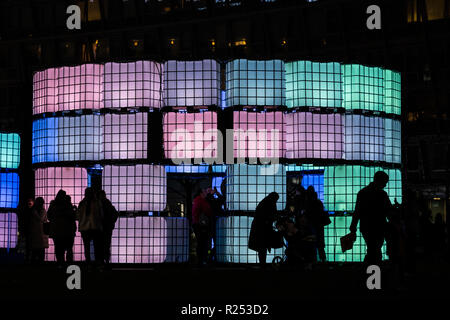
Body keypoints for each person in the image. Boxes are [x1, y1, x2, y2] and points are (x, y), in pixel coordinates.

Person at [349, 171, 392, 265]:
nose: (385, 185)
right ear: (380, 181)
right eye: (385, 182)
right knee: (375, 250)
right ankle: (373, 272)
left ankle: (369, 271)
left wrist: (353, 227)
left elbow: (357, 212)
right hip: (380, 226)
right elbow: (389, 211)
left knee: (373, 249)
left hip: (366, 227)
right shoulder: (382, 194)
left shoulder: (362, 193)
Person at [248, 192, 280, 267]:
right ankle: (263, 264)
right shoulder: (269, 203)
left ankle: (262, 264)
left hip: (260, 228)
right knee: (263, 246)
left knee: (261, 247)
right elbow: (271, 215)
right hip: (263, 229)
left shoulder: (264, 202)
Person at [47, 190, 76, 267]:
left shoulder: (53, 204)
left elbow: (49, 216)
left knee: (58, 248)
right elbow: (73, 216)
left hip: (56, 230)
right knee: (69, 248)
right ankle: (69, 264)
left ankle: (60, 263)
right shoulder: (67, 204)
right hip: (67, 230)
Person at [77, 187, 104, 269]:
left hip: (85, 227)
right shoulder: (97, 202)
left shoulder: (82, 203)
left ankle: (88, 263)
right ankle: (97, 263)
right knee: (97, 246)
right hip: (95, 227)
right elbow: (101, 215)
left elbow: (78, 216)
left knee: (87, 247)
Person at [305, 186, 329, 262]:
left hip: (310, 225)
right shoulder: (318, 202)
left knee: (310, 243)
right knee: (320, 244)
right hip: (319, 224)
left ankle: (312, 260)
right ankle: (323, 259)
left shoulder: (307, 202)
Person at [192, 187, 213, 265]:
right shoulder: (201, 200)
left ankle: (200, 259)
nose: (206, 193)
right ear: (201, 193)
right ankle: (202, 260)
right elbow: (208, 210)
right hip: (201, 225)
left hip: (197, 224)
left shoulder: (196, 200)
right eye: (204, 191)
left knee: (200, 242)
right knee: (203, 243)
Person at [97, 190, 118, 266]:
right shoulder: (108, 204)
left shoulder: (97, 204)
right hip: (108, 227)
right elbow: (115, 214)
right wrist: (111, 223)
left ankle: (101, 261)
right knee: (107, 244)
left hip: (100, 228)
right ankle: (106, 261)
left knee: (100, 244)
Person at [205, 187, 225, 263]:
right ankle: (210, 257)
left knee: (217, 241)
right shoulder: (208, 200)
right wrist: (213, 194)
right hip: (212, 223)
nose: (211, 191)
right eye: (209, 190)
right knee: (214, 241)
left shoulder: (213, 200)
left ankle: (212, 257)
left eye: (211, 190)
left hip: (216, 222)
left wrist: (217, 193)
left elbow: (222, 200)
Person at [29, 197, 48, 263]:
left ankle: (35, 263)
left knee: (36, 249)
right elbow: (41, 219)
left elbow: (40, 219)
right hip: (41, 232)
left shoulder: (33, 210)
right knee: (40, 249)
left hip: (37, 232)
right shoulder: (43, 210)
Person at [16, 198, 34, 263]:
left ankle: (25, 256)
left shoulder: (24, 210)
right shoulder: (30, 211)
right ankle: (26, 257)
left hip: (25, 228)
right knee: (27, 243)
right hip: (27, 229)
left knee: (25, 243)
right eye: (29, 203)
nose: (29, 205)